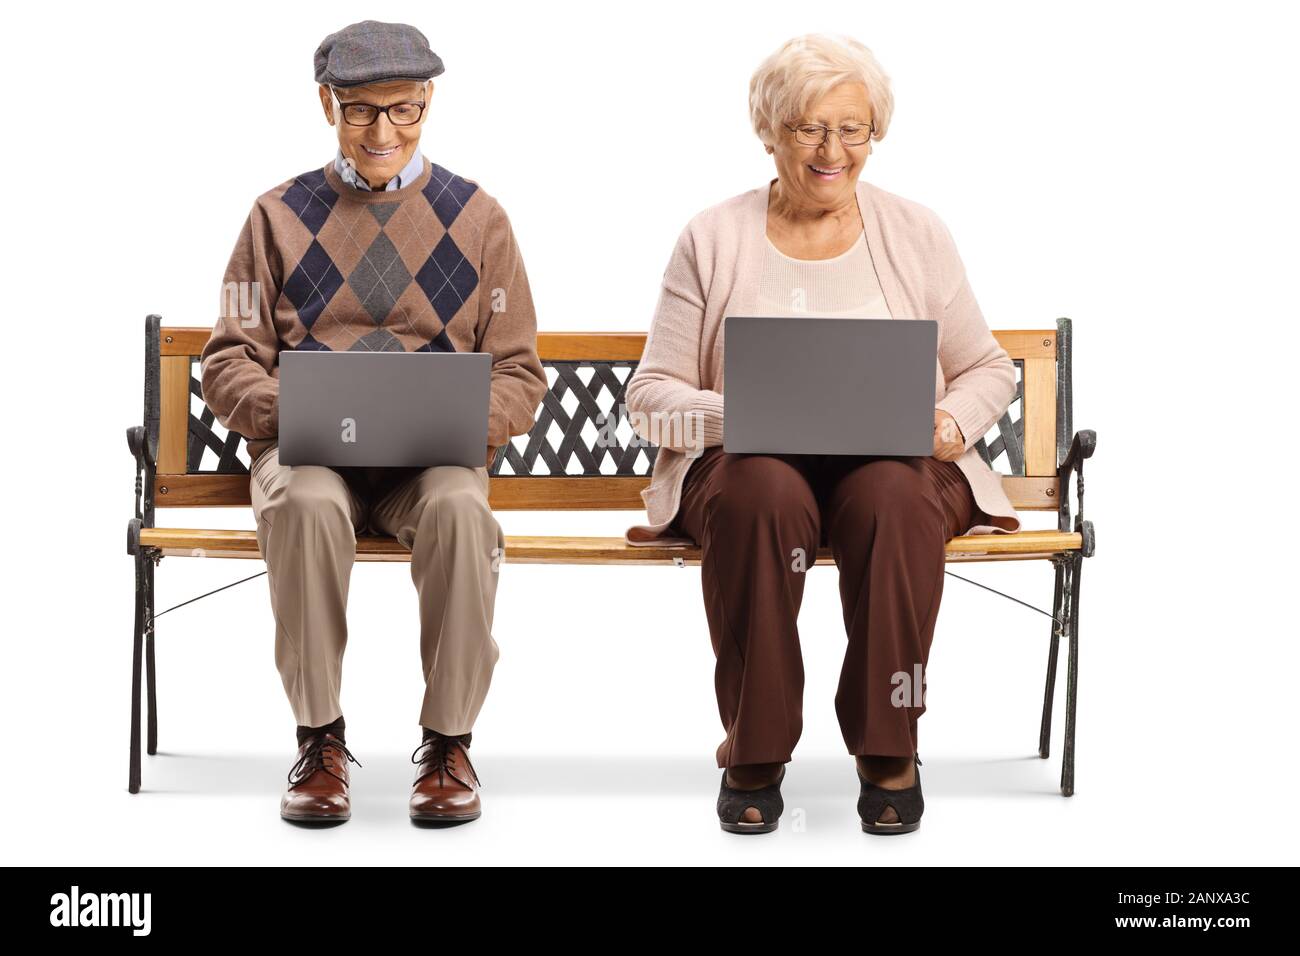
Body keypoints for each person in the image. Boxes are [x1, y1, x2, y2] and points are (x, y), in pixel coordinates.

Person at [624, 33, 1022, 835]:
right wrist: (751, 414)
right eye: (809, 127)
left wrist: (952, 420)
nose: (832, 149)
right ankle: (756, 746)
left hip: (897, 464)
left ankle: (888, 744)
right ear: (769, 131)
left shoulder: (916, 233)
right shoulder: (713, 236)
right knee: (761, 493)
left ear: (875, 134)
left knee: (892, 501)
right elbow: (649, 396)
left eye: (853, 129)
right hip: (750, 464)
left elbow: (990, 368)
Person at [199, 20, 547, 825]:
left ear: (429, 103)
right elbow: (227, 359)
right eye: (360, 111)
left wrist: (465, 422)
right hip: (311, 453)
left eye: (403, 109)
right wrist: (301, 412)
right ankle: (319, 739)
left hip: (430, 463)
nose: (382, 131)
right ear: (328, 105)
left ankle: (449, 742)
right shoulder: (275, 216)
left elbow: (521, 370)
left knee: (464, 512)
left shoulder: (480, 217)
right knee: (307, 503)